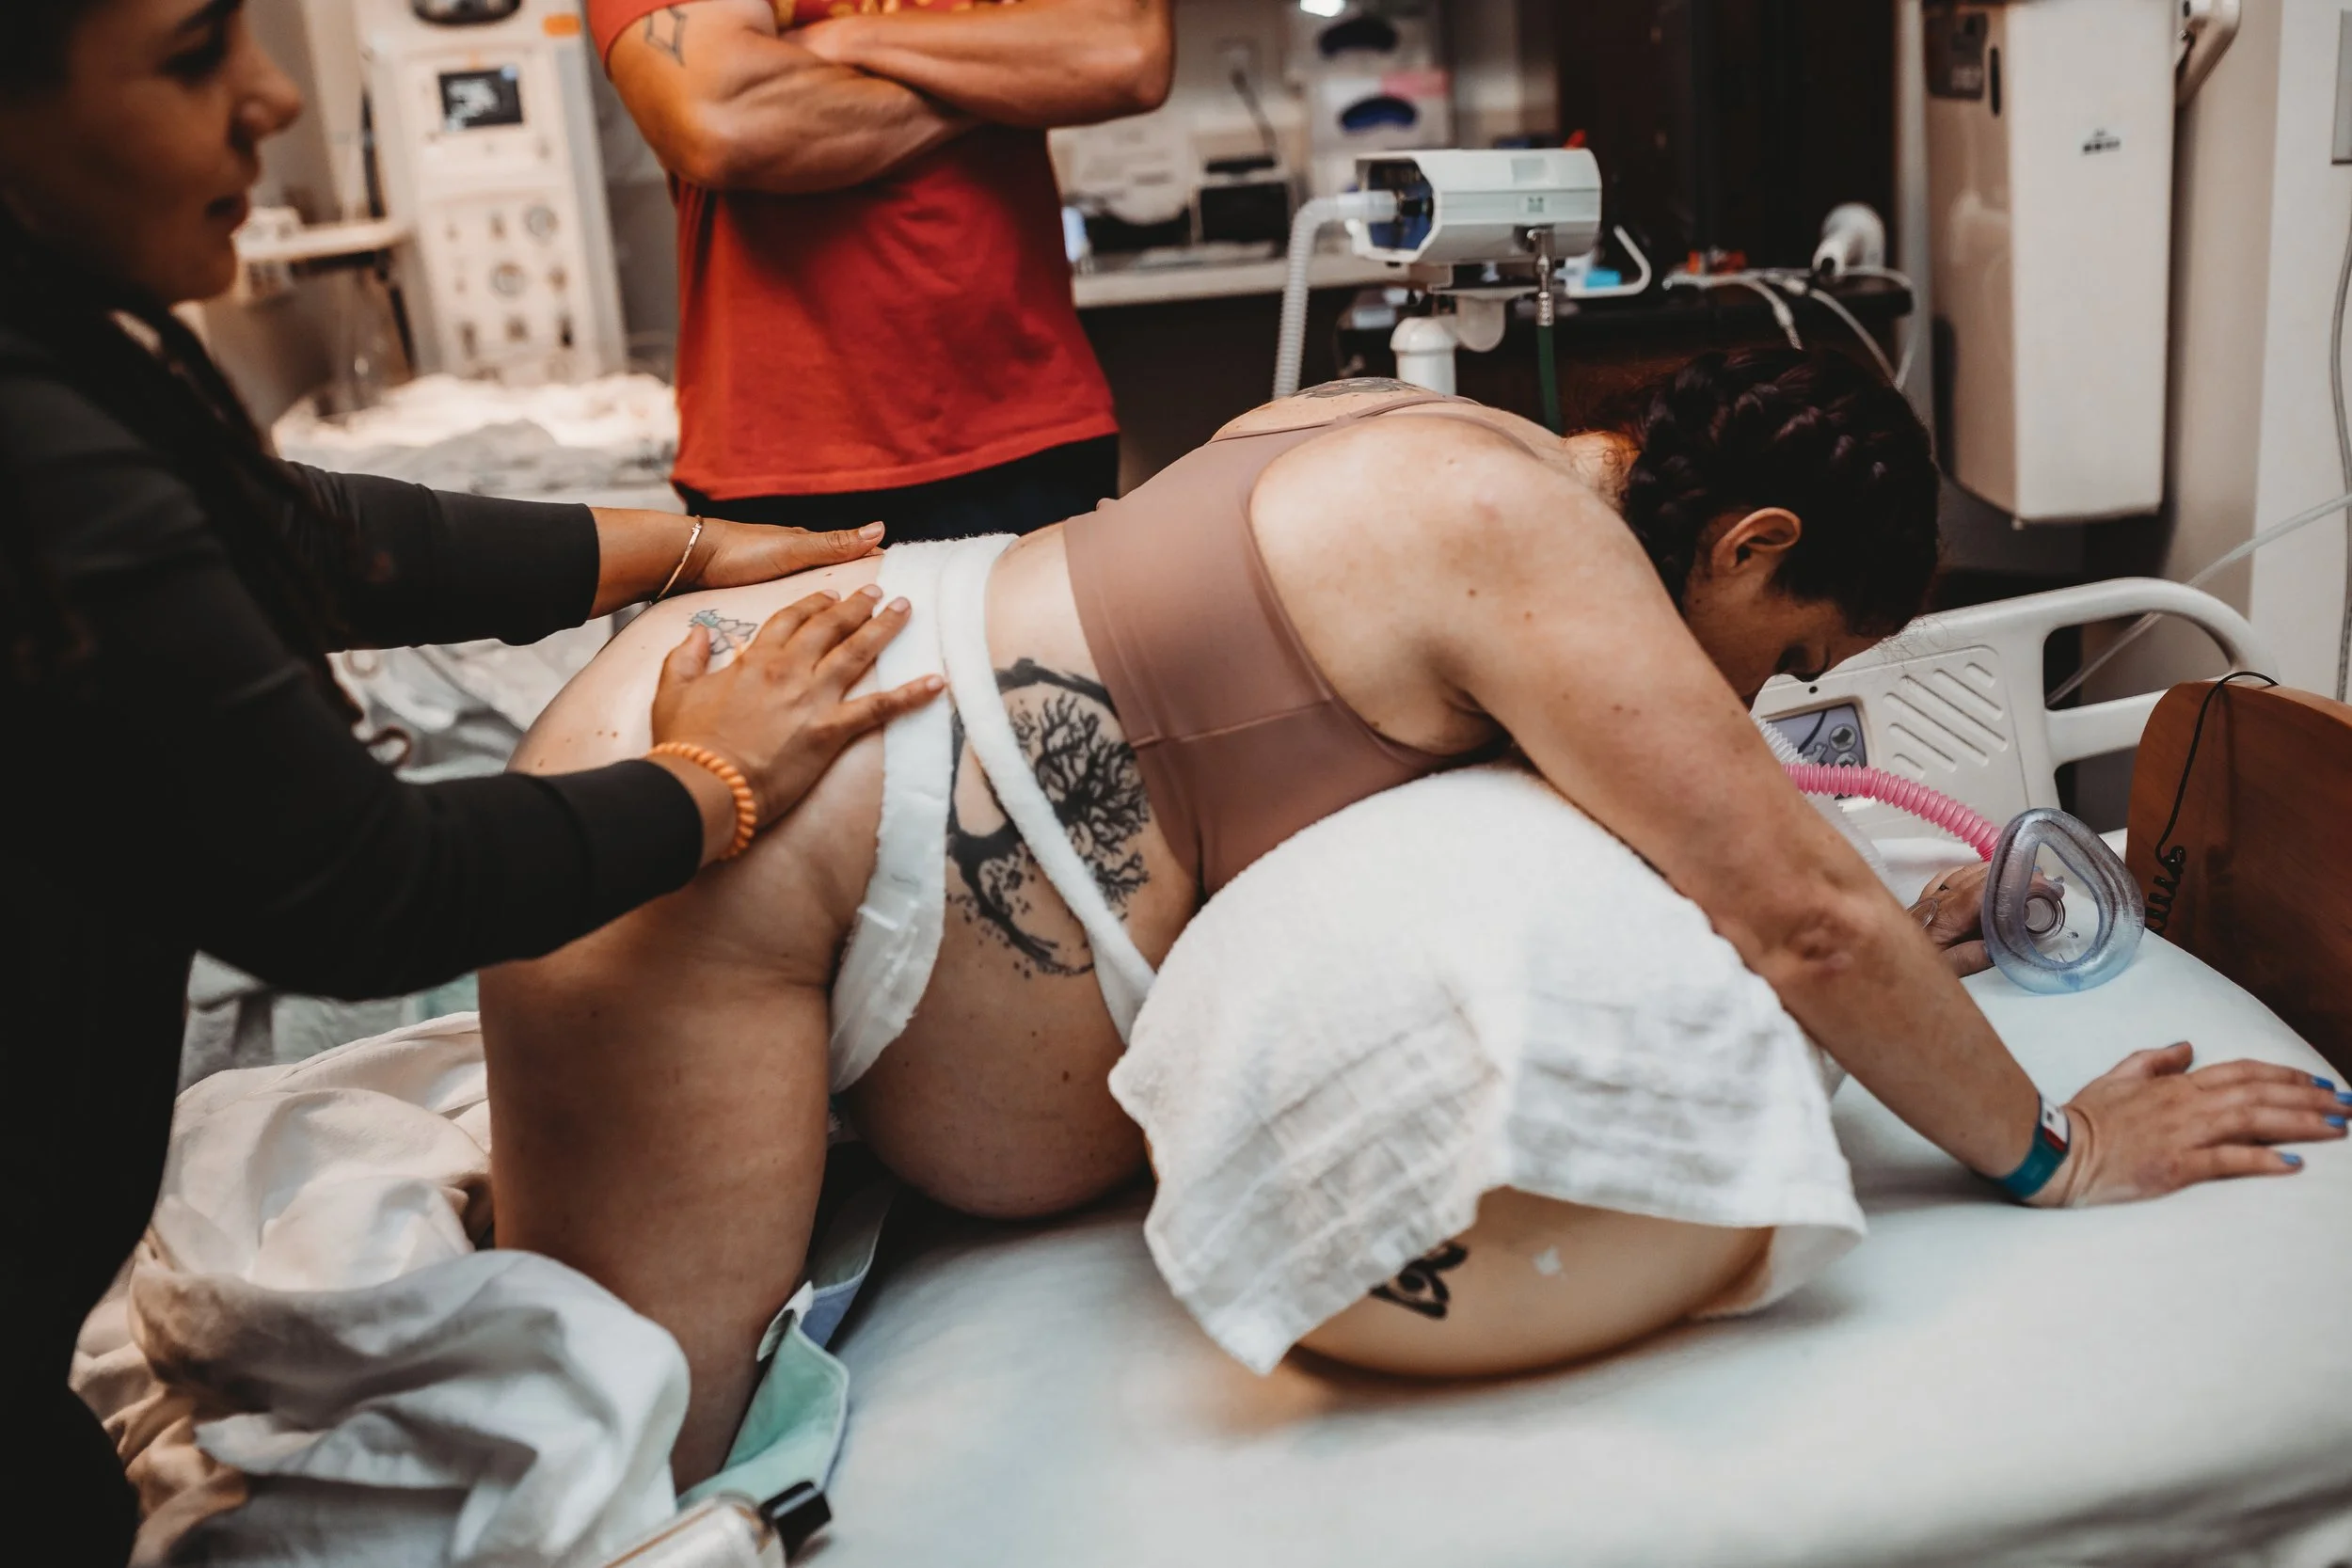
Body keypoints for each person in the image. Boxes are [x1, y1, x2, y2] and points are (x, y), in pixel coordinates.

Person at [484, 351, 2349, 1481]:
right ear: (1751, 543)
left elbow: (1715, 861)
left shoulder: (1413, 428)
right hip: (762, 819)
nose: (1762, 711)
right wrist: (2053, 1149)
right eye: (1787, 659)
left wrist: (1894, 937)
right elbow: (1799, 918)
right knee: (626, 1480)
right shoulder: (1517, 538)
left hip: (816, 733)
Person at [0, 5, 944, 1560]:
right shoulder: (29, 441)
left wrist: (682, 546)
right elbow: (365, 882)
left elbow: (298, 537)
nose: (271, 96)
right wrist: (711, 781)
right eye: (191, 55)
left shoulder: (67, 370)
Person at [588, 0, 1171, 540]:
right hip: (781, 459)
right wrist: (1008, 84)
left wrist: (847, 37)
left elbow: (1123, 52)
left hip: (1031, 428)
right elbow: (725, 120)